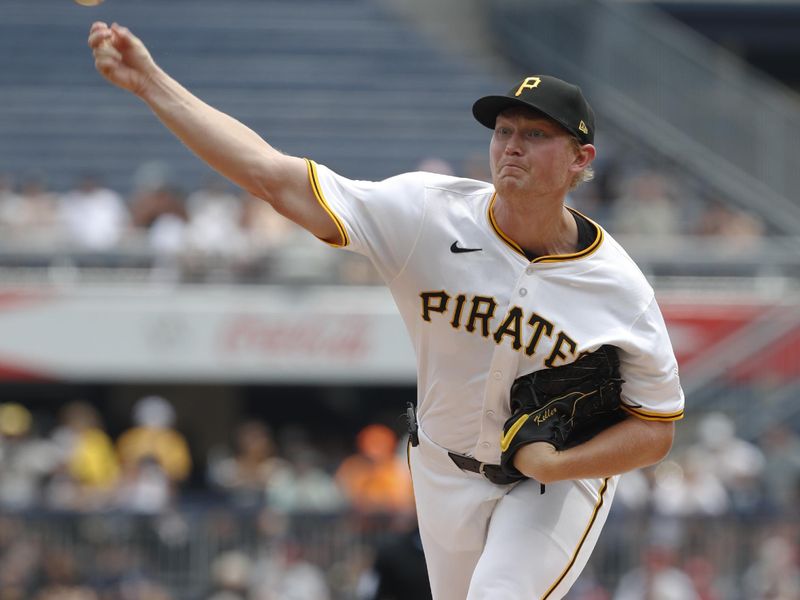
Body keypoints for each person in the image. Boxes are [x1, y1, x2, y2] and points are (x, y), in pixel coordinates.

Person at [88, 23, 684, 600]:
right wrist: (152, 85)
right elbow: (272, 177)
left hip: (554, 482)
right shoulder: (426, 214)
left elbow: (655, 428)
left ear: (581, 159)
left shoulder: (617, 285)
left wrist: (563, 465)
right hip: (443, 469)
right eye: (504, 130)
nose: (511, 147)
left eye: (535, 135)